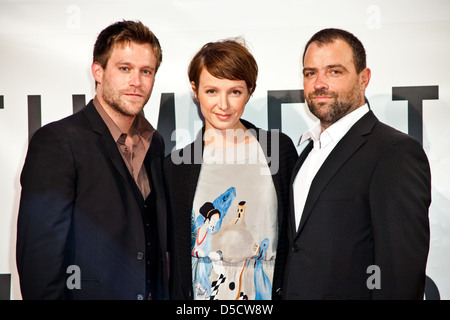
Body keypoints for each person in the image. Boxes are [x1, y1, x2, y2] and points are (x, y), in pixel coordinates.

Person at [16, 20, 169, 300]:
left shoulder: (154, 143)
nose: (136, 81)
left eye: (146, 71)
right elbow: (40, 266)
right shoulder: (58, 142)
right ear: (98, 72)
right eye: (125, 69)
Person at [283, 28, 431, 299]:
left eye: (334, 71)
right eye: (310, 73)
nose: (319, 83)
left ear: (364, 79)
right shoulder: (307, 150)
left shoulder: (394, 152)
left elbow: (400, 275)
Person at [164, 39, 298, 300]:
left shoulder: (277, 150)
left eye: (235, 92)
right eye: (212, 91)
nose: (223, 105)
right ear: (195, 90)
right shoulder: (176, 166)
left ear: (249, 91)